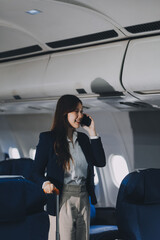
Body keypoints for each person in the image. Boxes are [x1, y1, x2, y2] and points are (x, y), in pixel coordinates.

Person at [33, 94, 106, 240]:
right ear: (64, 113)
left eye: (81, 111)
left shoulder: (84, 139)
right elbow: (35, 172)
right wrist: (46, 183)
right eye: (76, 111)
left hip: (84, 196)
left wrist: (92, 132)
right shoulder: (48, 139)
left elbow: (100, 162)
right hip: (62, 195)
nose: (80, 115)